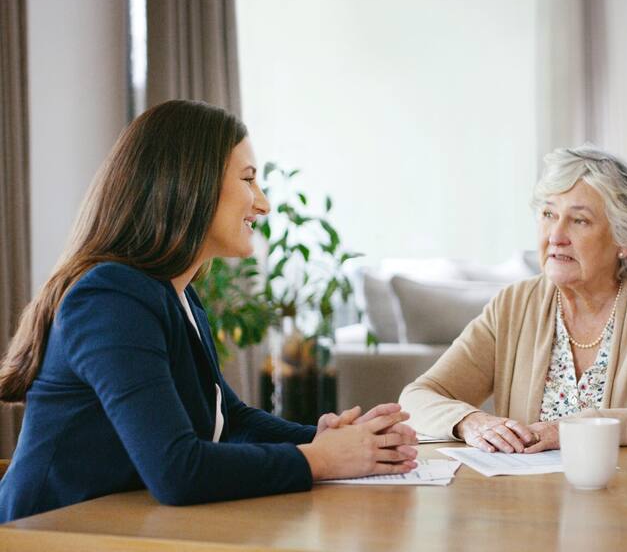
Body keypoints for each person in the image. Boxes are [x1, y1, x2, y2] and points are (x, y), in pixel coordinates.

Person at [0, 100, 418, 521]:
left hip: (114, 525)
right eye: (249, 180)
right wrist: (322, 460)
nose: (263, 204)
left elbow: (229, 419)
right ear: (190, 183)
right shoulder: (111, 298)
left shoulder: (174, 292)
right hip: (42, 533)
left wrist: (323, 438)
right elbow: (176, 471)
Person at [400, 147, 627, 453]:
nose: (556, 234)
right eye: (549, 214)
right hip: (529, 500)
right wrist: (471, 421)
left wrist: (581, 427)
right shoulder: (513, 305)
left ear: (625, 239)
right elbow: (417, 397)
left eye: (579, 220)